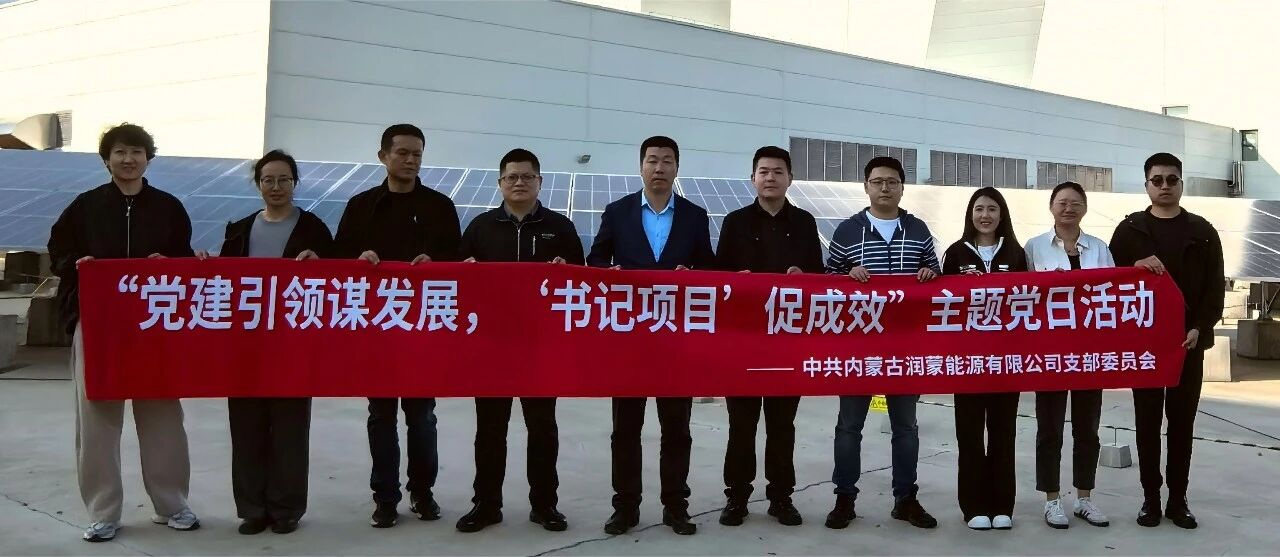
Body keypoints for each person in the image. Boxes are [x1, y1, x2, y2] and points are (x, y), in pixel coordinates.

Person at [48, 123, 202, 542]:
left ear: (148, 158)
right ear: (107, 160)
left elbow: (183, 259)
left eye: (136, 151)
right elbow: (59, 252)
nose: (128, 159)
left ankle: (172, 504)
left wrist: (168, 263)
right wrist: (78, 264)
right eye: (119, 152)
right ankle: (103, 512)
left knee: (163, 417)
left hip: (154, 328)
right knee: (97, 420)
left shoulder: (168, 207)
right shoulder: (85, 207)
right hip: (98, 327)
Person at [333, 124, 462, 528]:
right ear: (383, 156)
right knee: (381, 415)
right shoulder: (361, 206)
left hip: (424, 328)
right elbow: (339, 258)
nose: (410, 160)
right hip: (377, 328)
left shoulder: (440, 206)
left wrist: (435, 263)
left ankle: (423, 493)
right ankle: (385, 498)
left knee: (422, 416)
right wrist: (360, 258)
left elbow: (458, 262)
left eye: (417, 154)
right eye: (402, 153)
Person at [587, 135, 715, 536]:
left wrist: (693, 276)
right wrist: (609, 274)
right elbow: (596, 259)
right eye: (652, 160)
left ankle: (676, 506)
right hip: (630, 340)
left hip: (676, 340)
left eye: (667, 161)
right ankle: (625, 507)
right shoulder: (618, 211)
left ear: (677, 167)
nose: (659, 168)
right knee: (625, 429)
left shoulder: (695, 216)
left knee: (676, 429)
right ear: (641, 166)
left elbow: (709, 267)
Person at [454, 148, 584, 533]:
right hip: (492, 345)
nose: (519, 183)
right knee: (490, 430)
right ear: (500, 183)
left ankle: (545, 505)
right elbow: (457, 283)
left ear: (540, 182)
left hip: (540, 347)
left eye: (527, 177)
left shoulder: (560, 228)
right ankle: (486, 504)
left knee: (542, 428)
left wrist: (567, 271)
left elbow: (582, 281)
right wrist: (466, 271)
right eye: (512, 177)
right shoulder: (481, 227)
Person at [219, 149, 334, 535]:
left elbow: (336, 281)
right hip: (246, 347)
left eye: (284, 179)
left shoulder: (314, 229)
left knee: (289, 430)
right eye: (268, 179)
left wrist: (321, 264)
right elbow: (222, 283)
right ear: (258, 184)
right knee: (246, 428)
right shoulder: (239, 230)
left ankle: (286, 509)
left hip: (293, 346)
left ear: (295, 183)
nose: (276, 186)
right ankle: (252, 508)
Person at [823, 156, 939, 530]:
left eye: (892, 181)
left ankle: (905, 499)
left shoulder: (918, 229)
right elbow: (826, 282)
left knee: (906, 427)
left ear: (902, 187)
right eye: (877, 182)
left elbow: (936, 274)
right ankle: (844, 499)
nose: (884, 188)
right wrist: (847, 275)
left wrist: (929, 273)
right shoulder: (847, 231)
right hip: (858, 348)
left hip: (906, 348)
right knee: (849, 427)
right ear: (866, 187)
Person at [1109, 153, 1225, 530]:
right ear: (1146, 185)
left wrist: (1201, 327)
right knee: (1146, 423)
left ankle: (1178, 499)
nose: (1164, 186)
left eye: (1171, 180)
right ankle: (1150, 498)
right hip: (1145, 345)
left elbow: (1214, 289)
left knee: (1181, 424)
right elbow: (1107, 283)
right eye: (1156, 180)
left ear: (1181, 184)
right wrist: (1134, 266)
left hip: (1188, 344)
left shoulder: (1202, 231)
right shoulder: (1129, 231)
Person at [715, 146, 822, 528]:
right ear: (753, 178)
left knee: (781, 425)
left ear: (790, 178)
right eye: (763, 171)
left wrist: (803, 277)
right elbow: (718, 278)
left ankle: (781, 497)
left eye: (778, 171)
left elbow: (819, 276)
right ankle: (737, 497)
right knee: (741, 425)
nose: (770, 177)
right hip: (743, 341)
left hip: (786, 342)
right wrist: (736, 281)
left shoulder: (805, 222)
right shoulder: (735, 222)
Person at [1024, 181, 1114, 529]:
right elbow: (1021, 294)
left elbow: (1115, 291)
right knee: (1049, 428)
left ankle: (1084, 498)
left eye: (1076, 202)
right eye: (1062, 202)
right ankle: (1052, 500)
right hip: (1050, 352)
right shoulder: (1035, 247)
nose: (1068, 208)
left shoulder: (1100, 248)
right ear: (1051, 207)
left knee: (1087, 428)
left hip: (1090, 352)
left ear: (1085, 208)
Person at [941, 187, 1027, 531]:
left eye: (992, 209)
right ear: (970, 214)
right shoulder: (955, 252)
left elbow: (1032, 299)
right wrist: (959, 284)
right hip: (968, 362)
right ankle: (973, 506)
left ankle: (1003, 505)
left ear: (1001, 214)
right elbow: (941, 300)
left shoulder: (1017, 253)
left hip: (1006, 360)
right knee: (970, 435)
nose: (985, 215)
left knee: (1004, 434)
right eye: (979, 209)